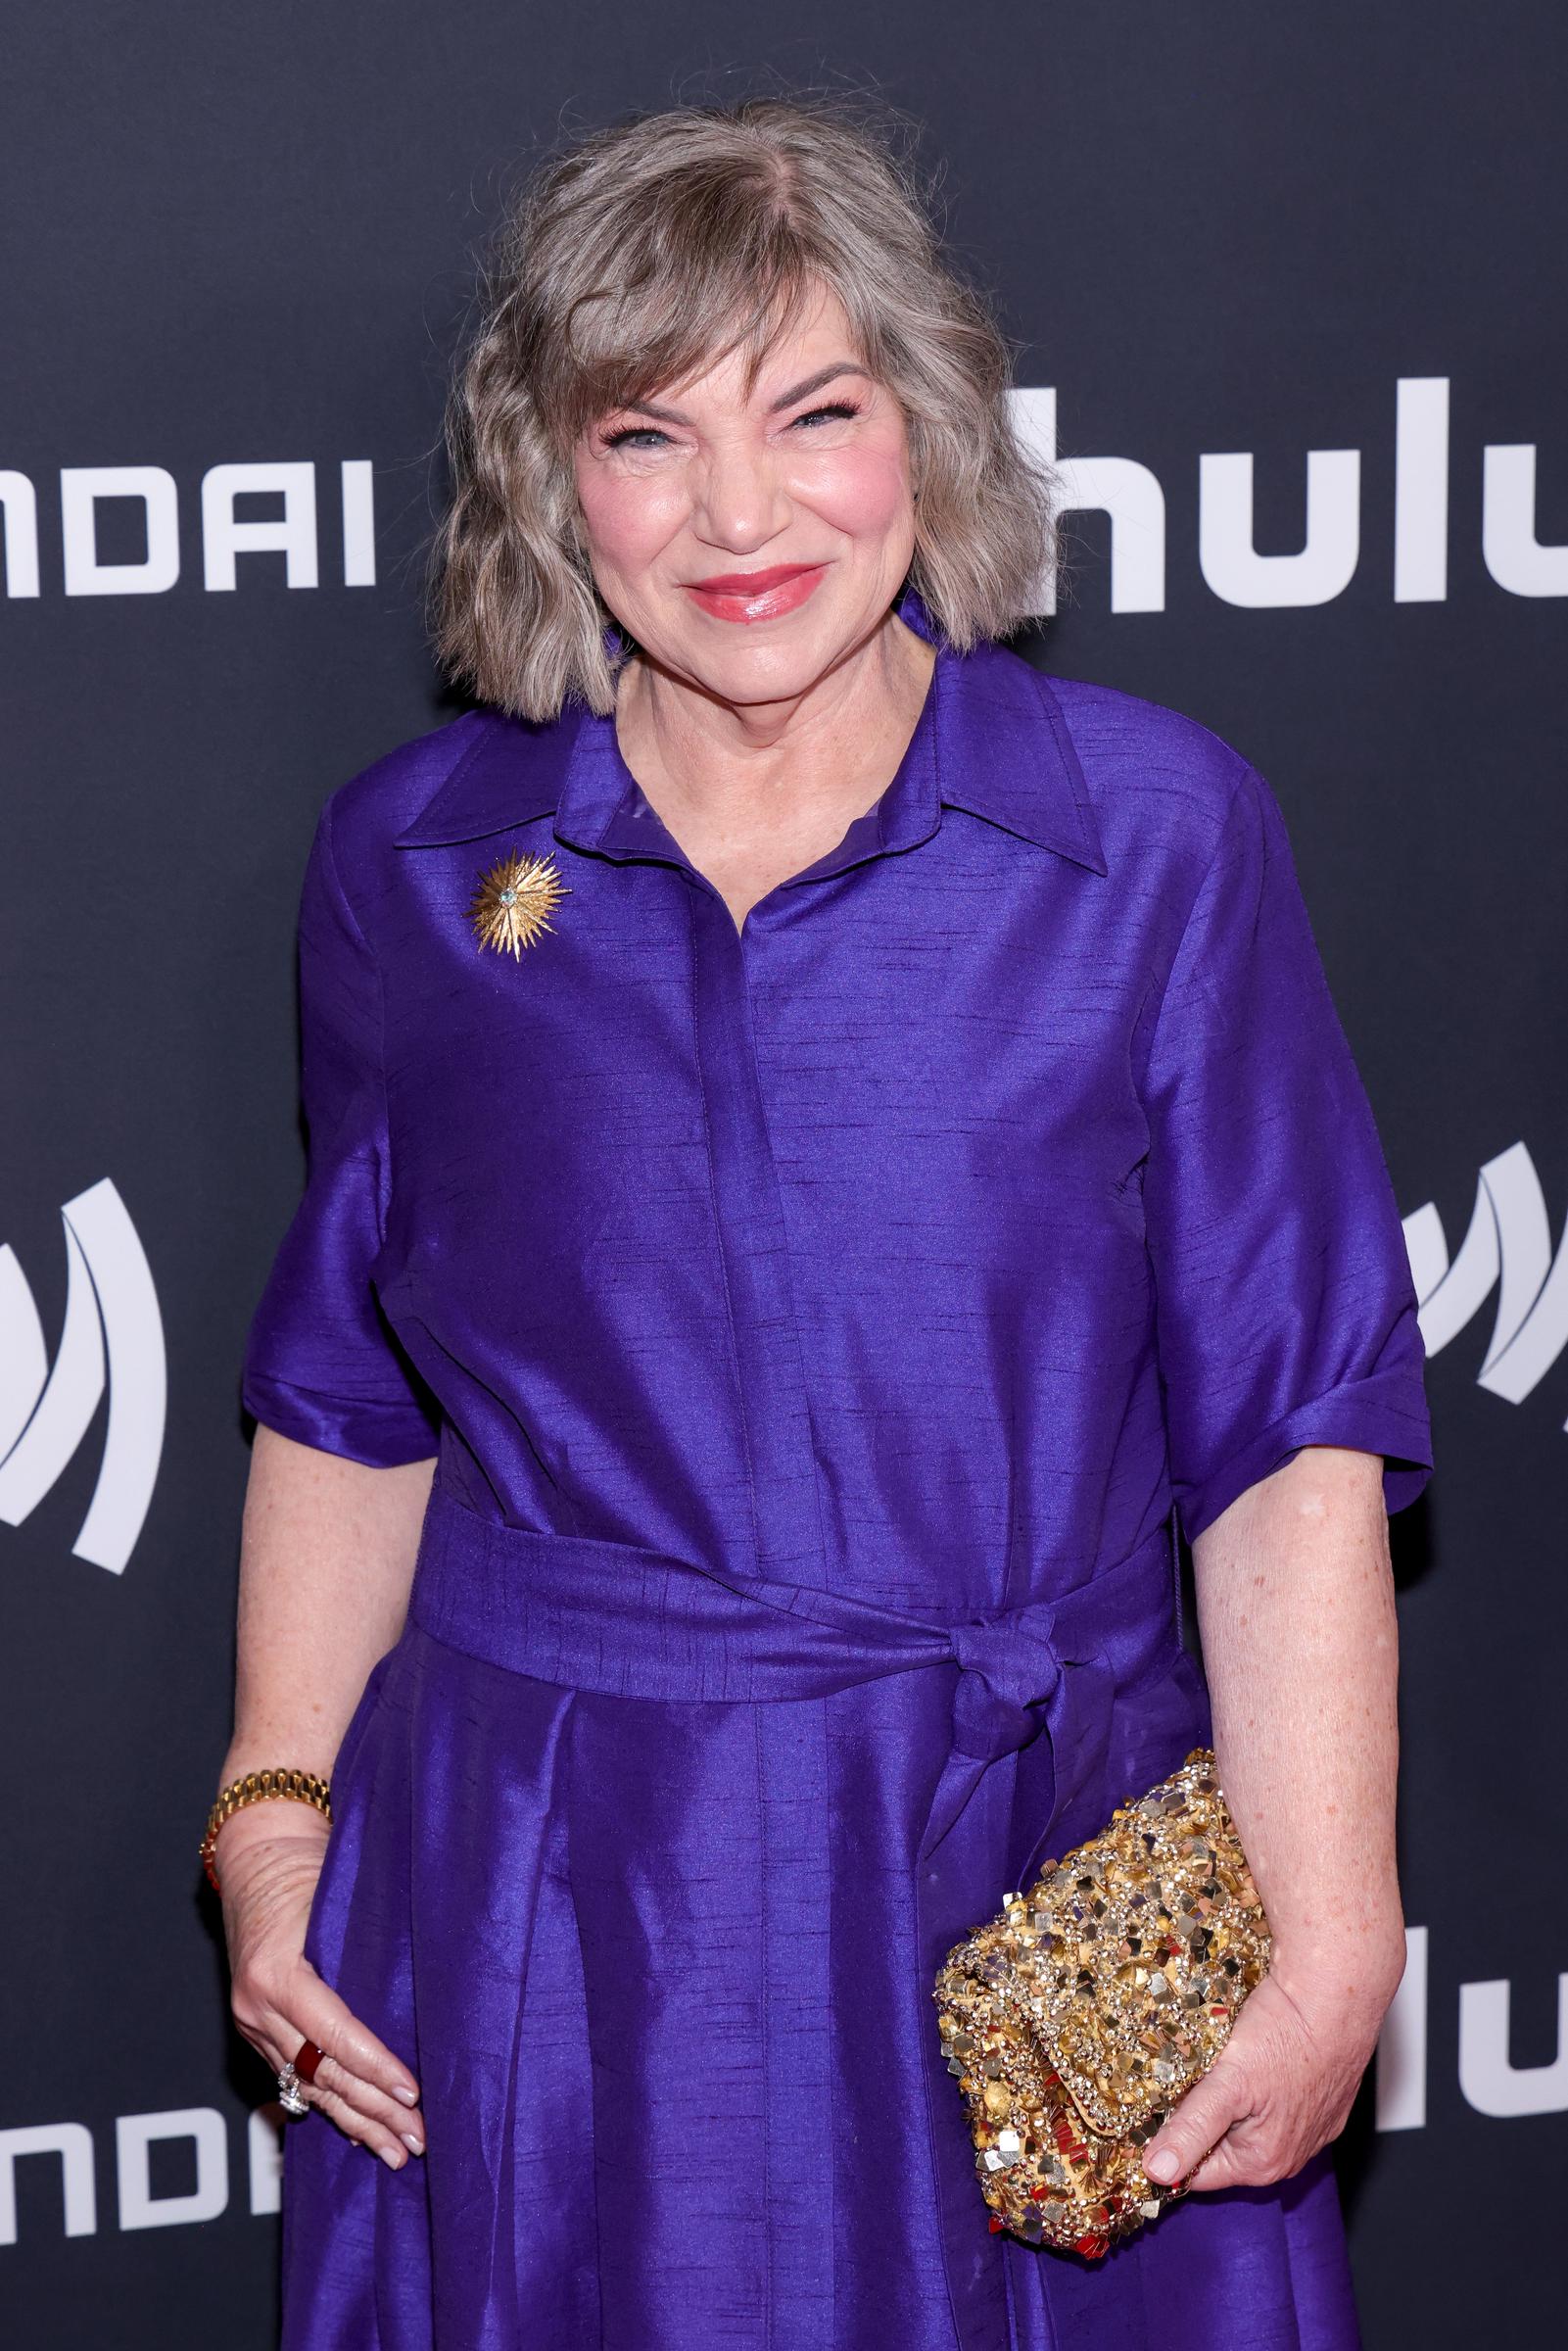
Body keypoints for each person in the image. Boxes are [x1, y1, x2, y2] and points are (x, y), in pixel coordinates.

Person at [208, 94, 1433, 2351]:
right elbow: (345, 1403)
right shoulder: (408, 872)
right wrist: (275, 1826)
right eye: (646, 434)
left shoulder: (1156, 839)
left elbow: (1288, 1438)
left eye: (817, 412)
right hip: (557, 1892)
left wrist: (1339, 1929)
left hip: (1039, 1865)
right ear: (551, 486)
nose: (742, 513)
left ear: (930, 431)